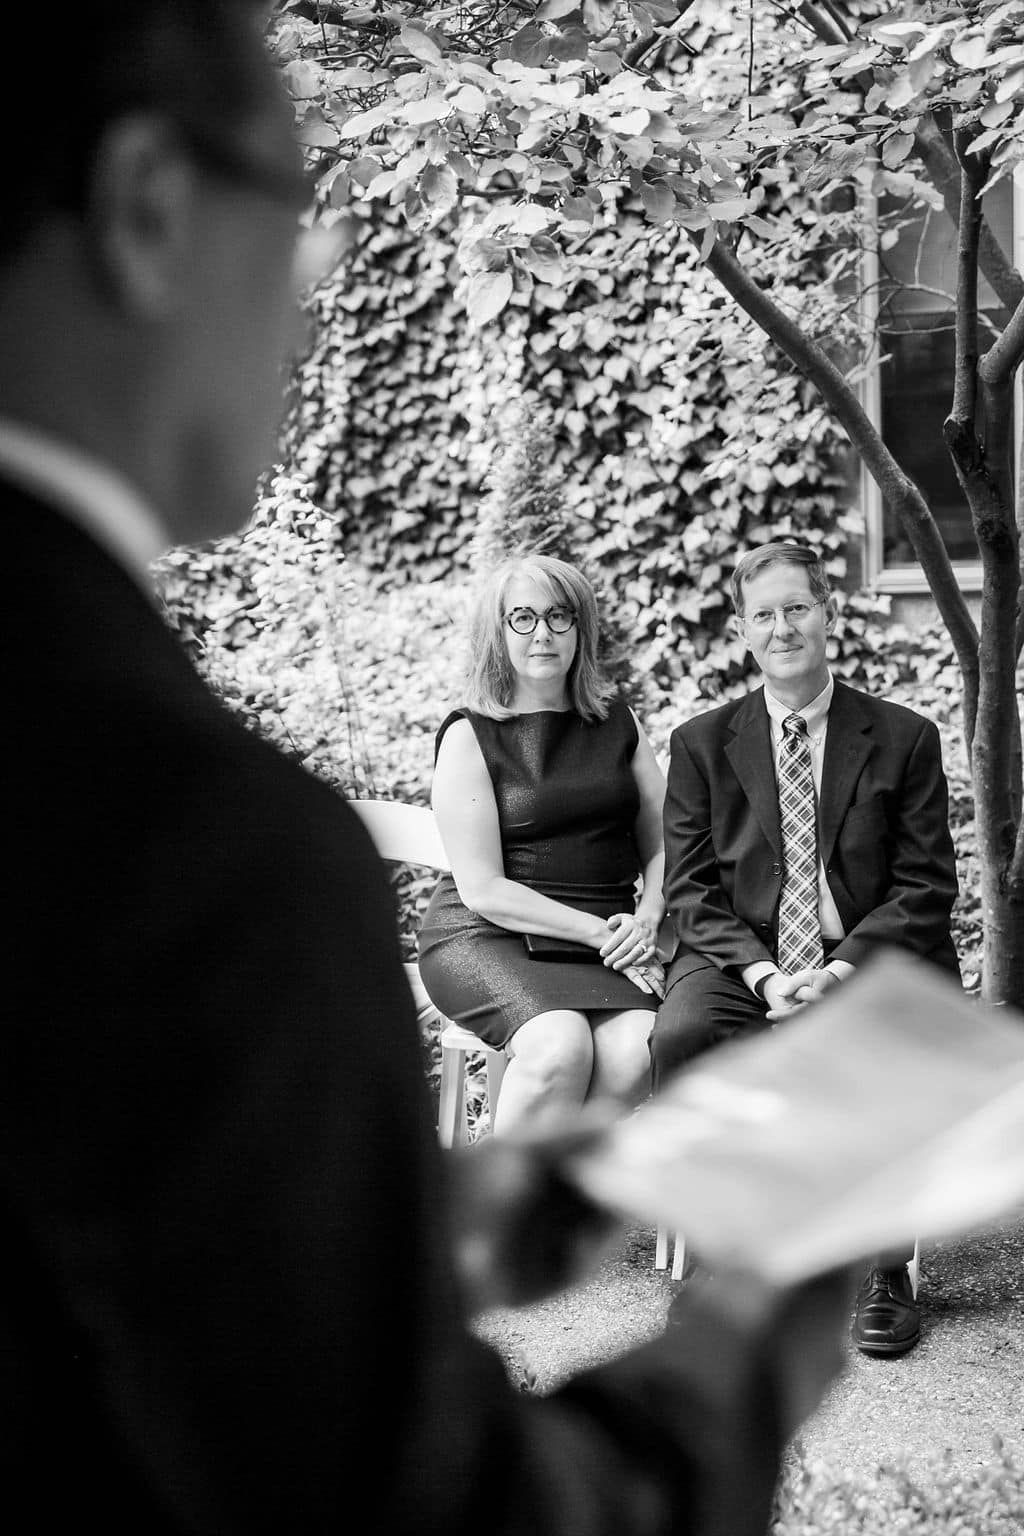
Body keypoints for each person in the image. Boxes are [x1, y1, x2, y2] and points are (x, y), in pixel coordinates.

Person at [3, 6, 851, 1531]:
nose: (317, 305)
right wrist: (741, 1334)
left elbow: (109, 1236)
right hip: (515, 947)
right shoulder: (195, 849)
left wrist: (421, 1229)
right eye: (304, 231)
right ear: (147, 208)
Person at [652, 540, 960, 1358]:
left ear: (827, 612)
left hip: (864, 955)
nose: (782, 627)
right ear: (743, 631)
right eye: (764, 615)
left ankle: (887, 1268)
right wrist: (760, 973)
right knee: (682, 1034)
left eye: (797, 607)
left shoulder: (903, 737)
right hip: (740, 956)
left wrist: (837, 968)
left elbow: (927, 888)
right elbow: (688, 890)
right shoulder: (700, 744)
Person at [419, 554, 666, 1134]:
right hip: (488, 934)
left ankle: (550, 1213)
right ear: (497, 632)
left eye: (559, 616)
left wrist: (649, 916)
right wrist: (604, 932)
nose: (543, 634)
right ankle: (495, 1216)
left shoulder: (618, 725)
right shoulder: (469, 734)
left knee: (635, 1054)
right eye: (522, 619)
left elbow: (666, 843)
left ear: (581, 628)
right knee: (560, 1048)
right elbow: (483, 889)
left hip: (610, 940)